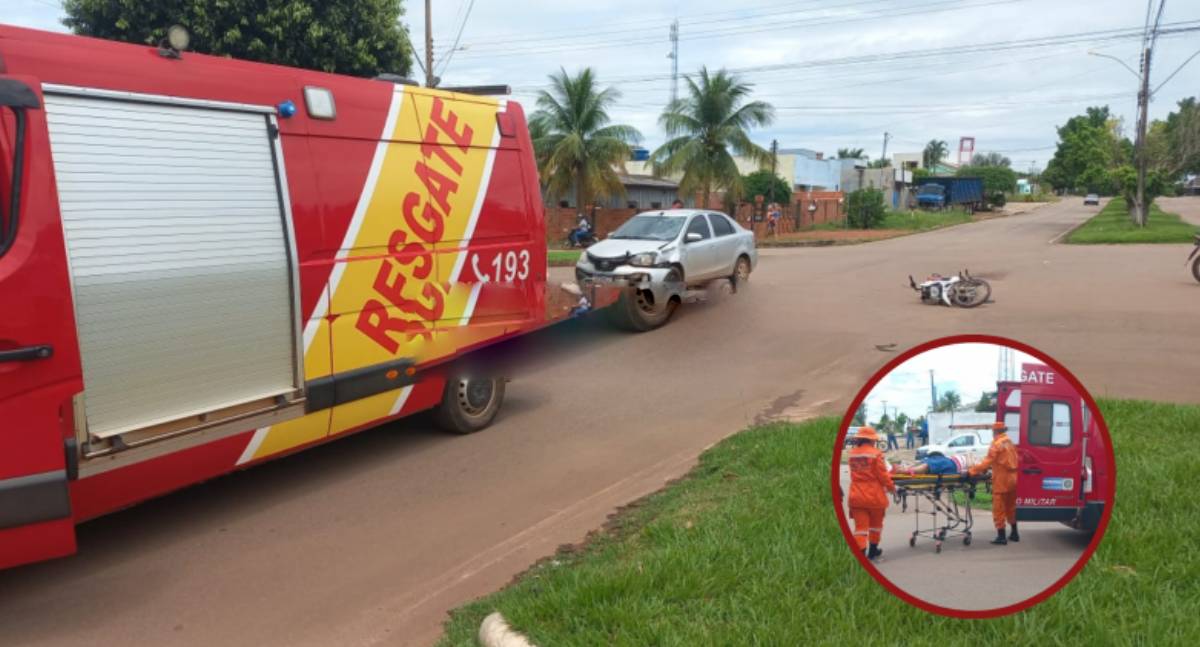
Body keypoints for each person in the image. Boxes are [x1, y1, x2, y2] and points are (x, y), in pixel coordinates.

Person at [847, 427, 896, 561]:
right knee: (875, 526)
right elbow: (883, 475)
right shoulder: (876, 453)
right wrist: (891, 488)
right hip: (874, 496)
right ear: (872, 440)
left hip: (856, 495)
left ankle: (860, 557)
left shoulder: (852, 453)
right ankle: (873, 552)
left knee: (860, 529)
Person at [968, 422, 1020, 545]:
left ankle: (1001, 537)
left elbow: (987, 461)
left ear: (995, 432)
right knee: (1011, 507)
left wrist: (972, 471)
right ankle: (1014, 533)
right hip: (1013, 478)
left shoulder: (996, 444)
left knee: (999, 509)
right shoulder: (1009, 442)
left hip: (1002, 480)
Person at [894, 451, 981, 476]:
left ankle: (906, 471)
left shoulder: (981, 466)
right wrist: (970, 456)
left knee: (930, 465)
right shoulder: (981, 461)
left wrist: (969, 455)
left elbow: (970, 466)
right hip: (949, 460)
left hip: (953, 465)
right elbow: (968, 454)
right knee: (926, 460)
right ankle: (904, 467)